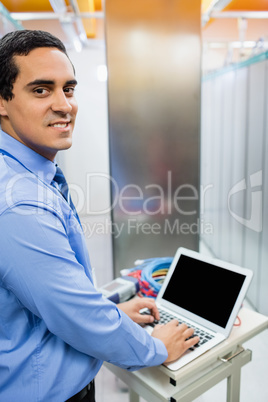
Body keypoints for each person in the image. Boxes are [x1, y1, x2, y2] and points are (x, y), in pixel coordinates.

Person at [0, 30, 199, 402]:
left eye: (69, 89)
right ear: (3, 102)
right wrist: (155, 347)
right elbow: (73, 314)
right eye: (41, 90)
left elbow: (45, 294)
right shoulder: (19, 205)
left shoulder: (28, 173)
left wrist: (113, 310)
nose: (64, 105)